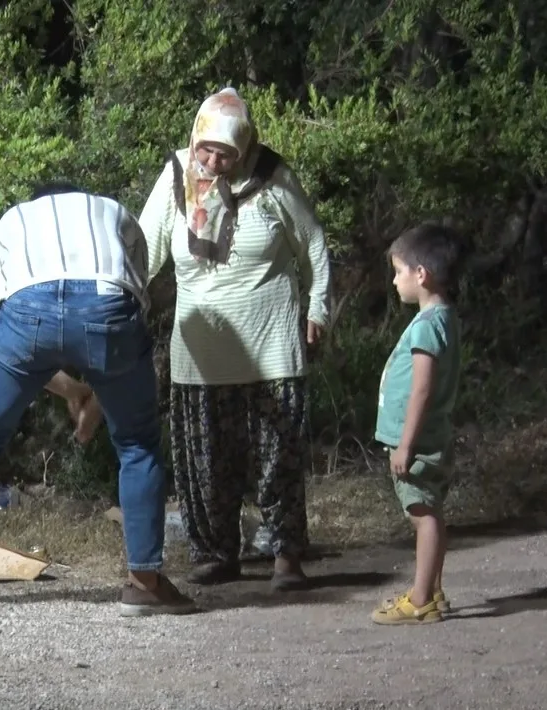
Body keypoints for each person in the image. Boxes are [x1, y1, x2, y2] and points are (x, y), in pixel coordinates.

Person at [0, 181, 195, 617]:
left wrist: (72, 389)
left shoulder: (12, 222)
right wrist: (88, 395)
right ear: (81, 197)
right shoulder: (114, 213)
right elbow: (128, 313)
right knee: (138, 445)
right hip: (108, 305)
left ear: (39, 201)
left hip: (28, 307)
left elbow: (8, 327)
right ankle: (145, 583)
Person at [137, 87, 332, 590]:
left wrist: (317, 306)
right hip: (200, 347)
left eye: (226, 154)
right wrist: (121, 298)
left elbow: (311, 241)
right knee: (205, 458)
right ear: (195, 138)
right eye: (207, 150)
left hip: (269, 342)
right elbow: (146, 246)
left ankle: (286, 554)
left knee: (278, 454)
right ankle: (216, 552)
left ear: (244, 149)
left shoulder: (272, 178)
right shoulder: (178, 175)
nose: (214, 162)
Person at [370, 223, 463, 625]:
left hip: (418, 441)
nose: (394, 281)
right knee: (430, 510)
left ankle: (421, 598)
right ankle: (432, 589)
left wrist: (405, 444)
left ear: (420, 273)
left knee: (422, 514)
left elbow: (422, 388)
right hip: (431, 436)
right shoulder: (443, 318)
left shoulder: (427, 325)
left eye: (398, 271)